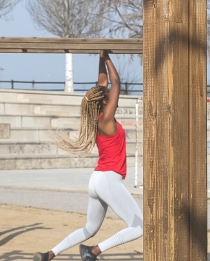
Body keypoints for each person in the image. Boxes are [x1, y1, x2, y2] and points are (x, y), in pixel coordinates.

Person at [33, 51, 143, 261]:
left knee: (90, 227)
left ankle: (49, 254)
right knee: (138, 226)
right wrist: (109, 56)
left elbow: (104, 82)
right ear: (105, 102)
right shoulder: (106, 121)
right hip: (108, 179)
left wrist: (101, 58)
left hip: (96, 179)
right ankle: (92, 252)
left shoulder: (99, 119)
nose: (111, 92)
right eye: (109, 93)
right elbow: (116, 82)